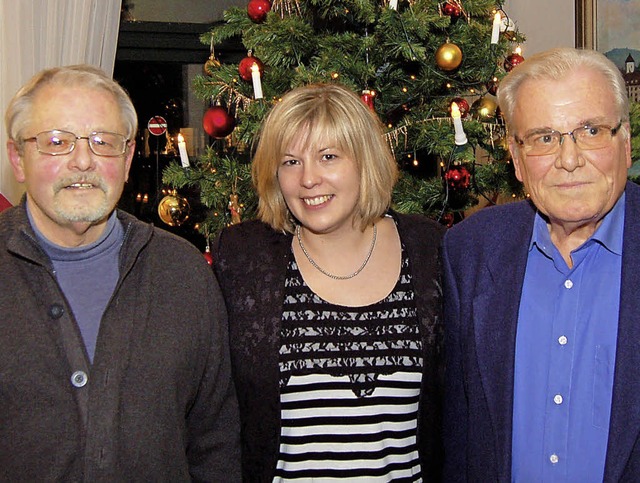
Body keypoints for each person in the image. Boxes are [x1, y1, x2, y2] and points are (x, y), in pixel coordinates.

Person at [0, 64, 241, 481]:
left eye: (103, 142)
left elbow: (215, 442)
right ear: (18, 159)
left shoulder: (182, 274)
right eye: (56, 142)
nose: (82, 161)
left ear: (128, 159)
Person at [212, 82, 445, 481]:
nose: (308, 179)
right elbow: (214, 413)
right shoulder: (245, 258)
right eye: (290, 162)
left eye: (328, 156)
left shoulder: (429, 250)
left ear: (365, 162)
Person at [442, 47, 640, 481]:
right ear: (515, 158)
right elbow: (457, 434)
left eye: (590, 130)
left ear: (625, 143)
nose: (569, 160)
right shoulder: (470, 252)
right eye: (545, 138)